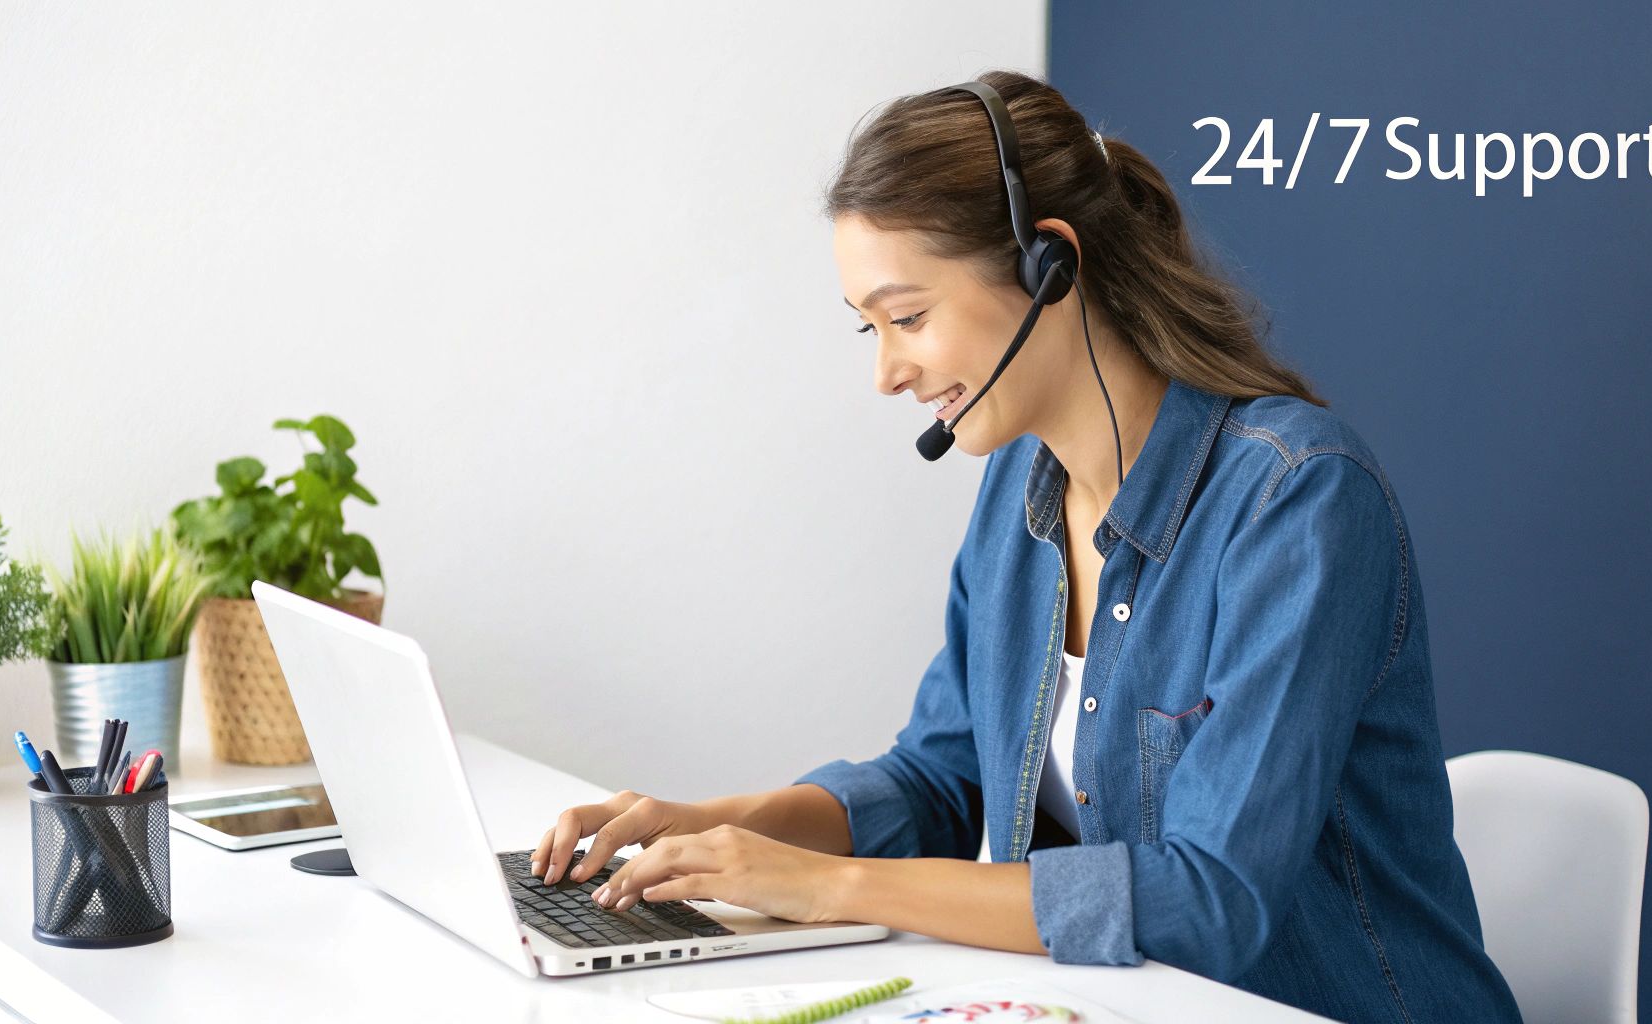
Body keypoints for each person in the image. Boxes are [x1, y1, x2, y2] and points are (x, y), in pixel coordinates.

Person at [530, 70, 1523, 1024]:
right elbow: (940, 773)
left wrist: (831, 886)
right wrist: (721, 826)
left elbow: (1210, 897)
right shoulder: (1018, 486)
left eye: (907, 318)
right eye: (867, 329)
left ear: (1048, 266)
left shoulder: (1295, 501)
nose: (886, 373)